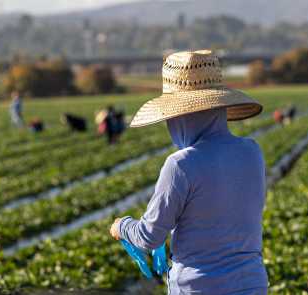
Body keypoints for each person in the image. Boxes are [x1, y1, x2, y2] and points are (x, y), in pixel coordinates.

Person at [109, 50, 267, 294]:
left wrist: (122, 227)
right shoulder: (252, 152)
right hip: (251, 284)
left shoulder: (181, 165)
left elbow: (149, 236)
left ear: (181, 116)